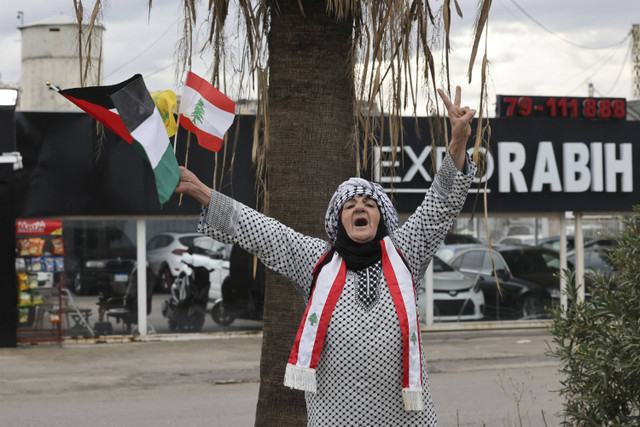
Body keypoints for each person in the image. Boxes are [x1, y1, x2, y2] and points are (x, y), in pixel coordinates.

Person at [174, 86, 477, 426]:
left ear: (381, 218)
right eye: (350, 205)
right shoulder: (316, 260)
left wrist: (458, 142)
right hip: (335, 416)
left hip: (405, 418)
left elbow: (441, 205)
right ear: (339, 220)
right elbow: (263, 232)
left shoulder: (406, 250)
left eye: (368, 204)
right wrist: (200, 189)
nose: (359, 207)